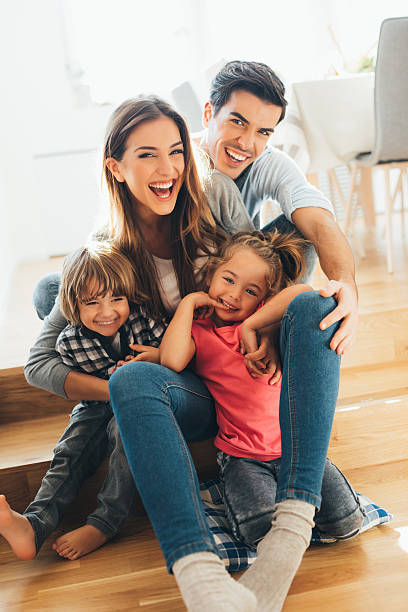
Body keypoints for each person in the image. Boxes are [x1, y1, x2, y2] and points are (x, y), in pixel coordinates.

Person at [159, 230, 364, 555]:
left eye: (250, 290)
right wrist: (189, 303)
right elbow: (171, 360)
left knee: (347, 522)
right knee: (260, 531)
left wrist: (252, 326)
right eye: (227, 279)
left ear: (262, 299)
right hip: (242, 457)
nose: (234, 295)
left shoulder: (268, 324)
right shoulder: (200, 331)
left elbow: (304, 292)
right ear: (210, 274)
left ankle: (296, 504)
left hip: (297, 451)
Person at [0, 241, 167, 560]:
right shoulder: (70, 341)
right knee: (70, 449)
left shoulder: (145, 320)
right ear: (72, 307)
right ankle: (35, 525)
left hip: (140, 401)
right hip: (96, 402)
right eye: (92, 303)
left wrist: (153, 361)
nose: (107, 312)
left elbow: (174, 355)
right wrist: (112, 387)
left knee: (125, 435)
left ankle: (105, 522)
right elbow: (42, 369)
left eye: (117, 299)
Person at [199, 60, 359, 364]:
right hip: (199, 283)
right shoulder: (178, 162)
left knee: (301, 231)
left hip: (249, 283)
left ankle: (272, 329)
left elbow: (320, 224)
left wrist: (347, 287)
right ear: (209, 113)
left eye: (263, 132)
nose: (246, 143)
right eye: (237, 122)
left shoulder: (269, 162)